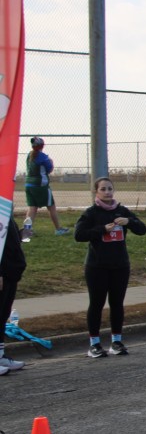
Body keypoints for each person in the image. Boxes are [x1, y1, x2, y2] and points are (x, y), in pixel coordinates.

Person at [74, 177, 146, 357]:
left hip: (120, 265)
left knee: (117, 304)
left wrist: (129, 222)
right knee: (97, 304)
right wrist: (101, 230)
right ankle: (94, 344)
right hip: (97, 266)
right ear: (96, 192)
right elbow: (79, 234)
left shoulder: (122, 211)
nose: (107, 192)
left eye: (110, 189)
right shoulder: (91, 213)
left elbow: (142, 229)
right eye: (103, 189)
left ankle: (116, 341)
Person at [23, 137, 68, 238]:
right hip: (40, 186)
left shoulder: (29, 155)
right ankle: (58, 229)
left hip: (29, 185)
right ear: (42, 146)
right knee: (51, 207)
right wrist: (51, 162)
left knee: (32, 208)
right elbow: (49, 169)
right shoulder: (43, 157)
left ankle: (26, 231)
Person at [0, 215, 27, 375]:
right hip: (3, 273)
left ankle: (1, 355)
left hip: (11, 272)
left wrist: (20, 235)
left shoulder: (5, 214)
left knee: (3, 315)